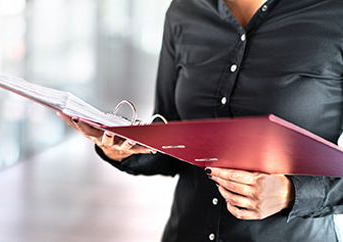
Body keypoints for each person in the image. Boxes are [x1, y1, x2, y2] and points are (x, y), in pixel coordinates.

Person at [58, 0, 343, 241]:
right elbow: (171, 144)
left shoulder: (334, 15)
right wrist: (123, 150)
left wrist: (291, 194)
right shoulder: (185, 10)